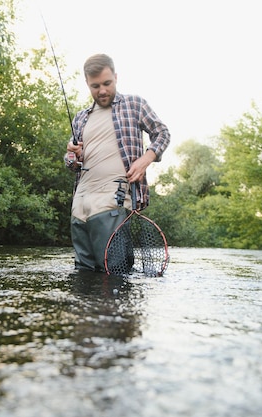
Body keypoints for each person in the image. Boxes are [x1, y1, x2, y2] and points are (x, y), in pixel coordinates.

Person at [64, 53, 170, 272]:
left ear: (116, 77)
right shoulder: (80, 117)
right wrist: (73, 154)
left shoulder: (134, 104)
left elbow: (162, 133)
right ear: (87, 84)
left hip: (113, 199)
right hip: (80, 203)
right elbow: (71, 163)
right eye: (95, 86)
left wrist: (145, 160)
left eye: (107, 83)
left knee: (113, 273)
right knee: (83, 273)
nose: (102, 90)